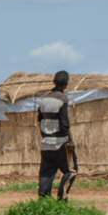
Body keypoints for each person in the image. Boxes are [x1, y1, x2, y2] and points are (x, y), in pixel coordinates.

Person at [36, 71, 74, 199]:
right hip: (60, 142)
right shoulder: (63, 99)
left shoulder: (44, 99)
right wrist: (69, 140)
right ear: (66, 84)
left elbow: (40, 120)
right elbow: (64, 123)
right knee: (70, 171)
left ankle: (43, 200)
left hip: (46, 142)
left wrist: (45, 136)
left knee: (46, 172)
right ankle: (62, 199)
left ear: (54, 81)